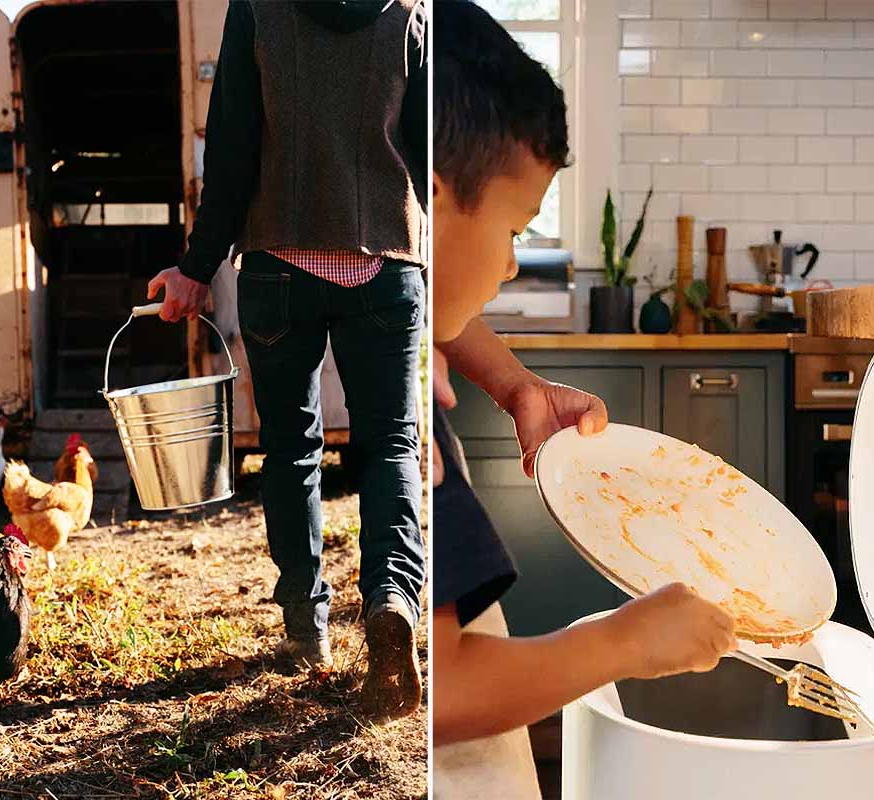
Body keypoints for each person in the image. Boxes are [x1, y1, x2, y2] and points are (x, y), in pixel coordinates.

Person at [430, 1, 737, 793]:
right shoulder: (399, 414)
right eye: (516, 229)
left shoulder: (363, 309)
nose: (507, 269)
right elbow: (442, 692)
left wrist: (518, 384)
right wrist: (626, 640)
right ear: (430, 203)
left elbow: (425, 286)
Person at [147, 0, 428, 720]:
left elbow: (234, 146)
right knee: (391, 444)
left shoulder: (260, 9)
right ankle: (392, 597)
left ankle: (307, 630)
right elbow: (431, 159)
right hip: (387, 263)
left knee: (290, 449)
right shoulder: (409, 12)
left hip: (279, 267)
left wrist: (196, 266)